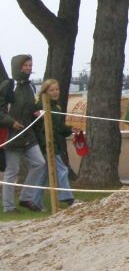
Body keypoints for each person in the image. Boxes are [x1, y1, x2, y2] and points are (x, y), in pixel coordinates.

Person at [1, 54, 47, 212]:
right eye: (25, 65)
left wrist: (37, 112)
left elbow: (31, 108)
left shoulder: (31, 86)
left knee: (39, 163)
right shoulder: (8, 86)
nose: (28, 68)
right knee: (12, 171)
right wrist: (11, 122)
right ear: (18, 67)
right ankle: (8, 207)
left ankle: (26, 198)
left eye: (30, 65)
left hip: (27, 133)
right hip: (12, 134)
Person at [26, 79, 76, 209]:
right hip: (48, 145)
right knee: (62, 170)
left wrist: (70, 129)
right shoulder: (40, 108)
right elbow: (40, 130)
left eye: (57, 89)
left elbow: (58, 127)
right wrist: (46, 145)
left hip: (56, 143)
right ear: (45, 92)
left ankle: (35, 201)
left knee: (44, 174)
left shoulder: (56, 107)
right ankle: (68, 198)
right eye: (51, 90)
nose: (55, 92)